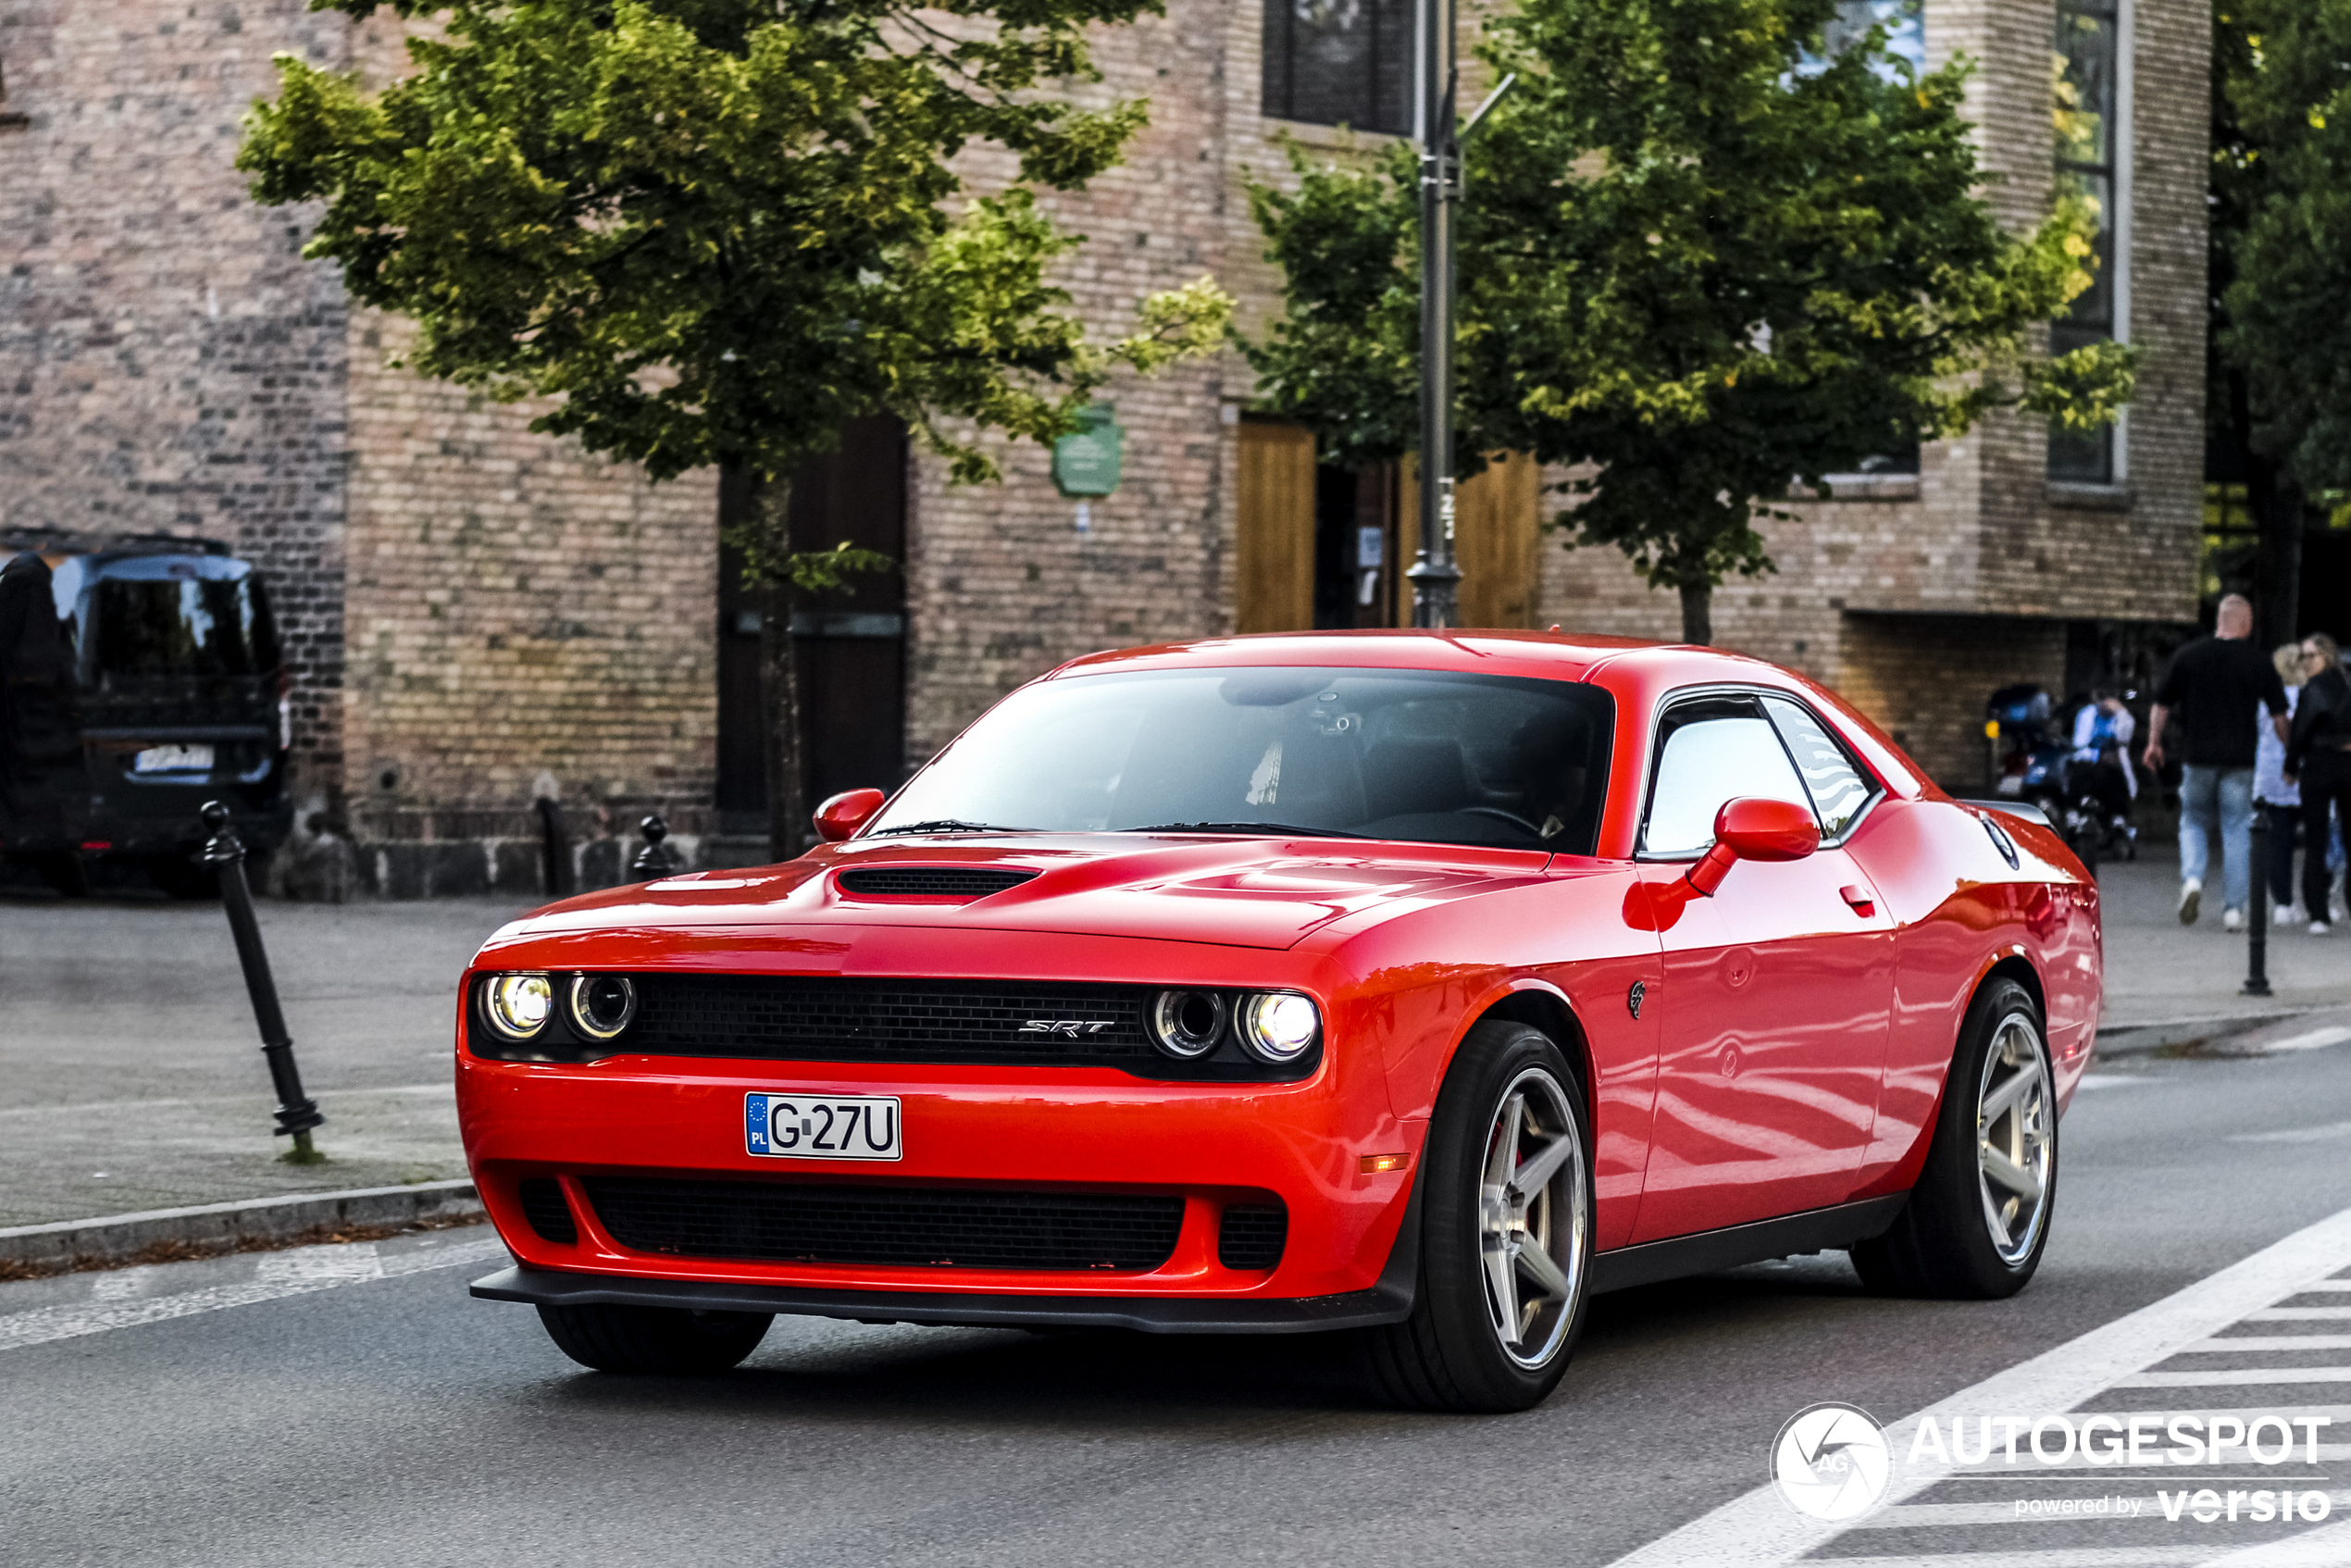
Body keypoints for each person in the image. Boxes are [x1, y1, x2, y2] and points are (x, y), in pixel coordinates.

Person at [2144, 594, 2290, 930]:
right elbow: (2279, 715)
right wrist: (2290, 753)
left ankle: (2193, 879)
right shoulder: (2258, 661)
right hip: (2240, 761)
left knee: (2193, 821)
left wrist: (2154, 742)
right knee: (2237, 828)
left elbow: (2161, 703)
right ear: (2245, 622)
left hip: (2197, 757)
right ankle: (2233, 910)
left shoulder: (2189, 656)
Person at [2286, 634, 2351, 935]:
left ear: (2325, 655)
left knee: (2316, 840)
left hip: (2318, 763)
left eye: (2310, 656)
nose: (2305, 663)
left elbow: (2299, 731)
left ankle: (2318, 913)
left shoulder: (2313, 690)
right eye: (2303, 657)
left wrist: (2290, 765)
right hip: (2345, 762)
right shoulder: (2347, 684)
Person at [2254, 642, 2306, 923]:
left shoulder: (2265, 700)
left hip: (2271, 775)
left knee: (2278, 842)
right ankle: (2318, 902)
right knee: (2319, 840)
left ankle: (2283, 903)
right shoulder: (2310, 695)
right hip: (2306, 772)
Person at [2068, 688, 2135, 826]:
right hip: (2089, 764)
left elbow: (2124, 737)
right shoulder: (2086, 715)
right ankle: (2074, 818)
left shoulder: (2121, 717)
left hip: (2111, 767)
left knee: (2114, 777)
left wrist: (2120, 712)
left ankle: (2118, 821)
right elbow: (2080, 744)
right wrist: (2099, 755)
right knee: (2079, 774)